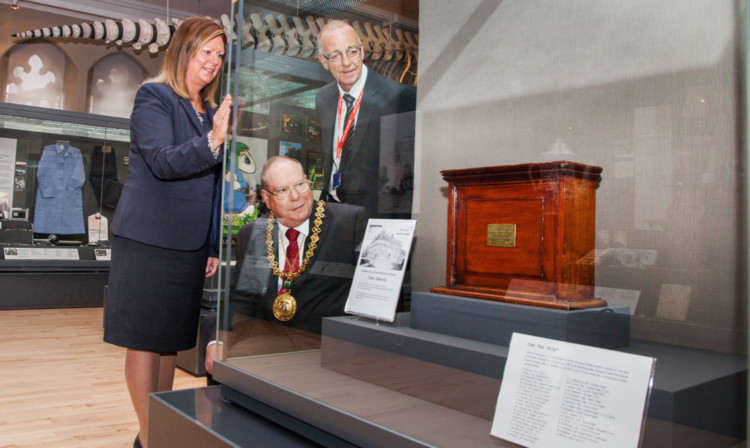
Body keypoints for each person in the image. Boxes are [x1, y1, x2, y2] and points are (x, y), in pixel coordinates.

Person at [102, 17, 233, 448]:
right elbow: (162, 160)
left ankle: (151, 436)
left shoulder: (209, 112)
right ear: (182, 50)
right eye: (205, 51)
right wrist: (213, 141)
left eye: (219, 54)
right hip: (147, 242)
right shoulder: (154, 96)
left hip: (189, 246)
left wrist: (212, 243)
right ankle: (154, 438)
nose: (212, 61)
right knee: (144, 343)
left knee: (168, 346)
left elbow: (212, 187)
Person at [202, 156, 366, 379]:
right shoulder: (253, 234)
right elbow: (242, 297)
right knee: (220, 356)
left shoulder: (348, 222)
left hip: (324, 340)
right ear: (266, 199)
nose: (296, 196)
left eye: (300, 185)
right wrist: (218, 340)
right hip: (270, 333)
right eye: (282, 190)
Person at [315, 20, 417, 221]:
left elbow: (405, 176)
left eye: (352, 51)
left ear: (362, 50)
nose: (346, 62)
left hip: (375, 220)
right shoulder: (323, 98)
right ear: (323, 61)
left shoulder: (398, 97)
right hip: (332, 216)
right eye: (335, 55)